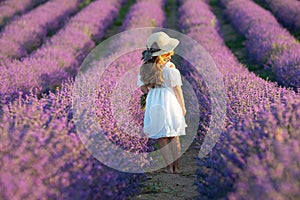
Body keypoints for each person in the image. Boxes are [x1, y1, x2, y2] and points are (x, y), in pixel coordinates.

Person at [137, 31, 187, 174]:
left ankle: (168, 167)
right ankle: (176, 167)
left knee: (161, 136)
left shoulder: (144, 69)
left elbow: (143, 89)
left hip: (154, 102)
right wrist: (182, 107)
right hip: (170, 101)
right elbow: (177, 89)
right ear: (164, 54)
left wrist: (153, 89)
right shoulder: (171, 69)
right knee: (173, 135)